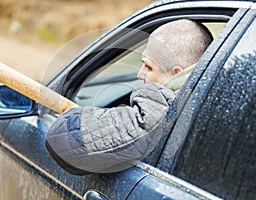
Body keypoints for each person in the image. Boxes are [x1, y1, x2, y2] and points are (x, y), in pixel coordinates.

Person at [45, 19, 213, 175]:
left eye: (148, 66)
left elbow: (62, 138)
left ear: (176, 73)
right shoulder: (215, 97)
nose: (140, 74)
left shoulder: (162, 112)